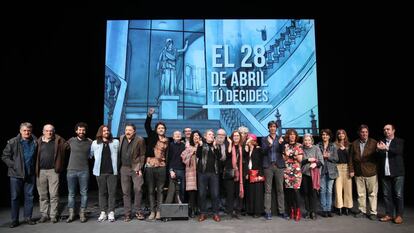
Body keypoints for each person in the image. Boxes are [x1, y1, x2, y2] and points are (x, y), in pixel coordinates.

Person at [2, 122, 38, 228]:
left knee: (30, 197)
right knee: (15, 197)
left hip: (30, 174)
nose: (27, 132)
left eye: (29, 130)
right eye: (24, 130)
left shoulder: (35, 142)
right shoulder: (13, 142)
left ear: (31, 131)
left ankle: (28, 217)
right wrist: (15, 165)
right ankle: (15, 220)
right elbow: (5, 156)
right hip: (16, 175)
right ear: (20, 131)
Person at [36, 124, 66, 223]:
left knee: (54, 194)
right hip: (41, 171)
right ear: (43, 131)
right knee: (42, 195)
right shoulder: (38, 141)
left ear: (54, 132)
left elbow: (69, 145)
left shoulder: (58, 141)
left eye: (51, 131)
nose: (49, 132)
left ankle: (53, 215)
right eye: (47, 131)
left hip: (53, 171)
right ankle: (44, 215)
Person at [90, 125, 119, 222]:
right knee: (102, 193)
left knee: (112, 193)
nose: (106, 132)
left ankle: (111, 212)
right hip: (100, 172)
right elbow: (90, 154)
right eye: (104, 131)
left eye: (107, 130)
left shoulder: (115, 142)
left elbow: (118, 154)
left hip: (112, 172)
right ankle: (103, 212)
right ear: (100, 132)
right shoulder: (95, 143)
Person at [377, 124, 405, 224]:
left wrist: (387, 148)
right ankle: (389, 214)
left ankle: (399, 215)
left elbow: (398, 151)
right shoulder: (381, 141)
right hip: (385, 172)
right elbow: (379, 156)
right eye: (384, 130)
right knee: (386, 195)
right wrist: (378, 150)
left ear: (393, 130)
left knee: (398, 194)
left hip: (398, 172)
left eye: (388, 129)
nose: (386, 131)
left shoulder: (399, 141)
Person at [349, 124, 378, 220]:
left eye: (366, 132)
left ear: (368, 133)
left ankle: (373, 212)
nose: (364, 134)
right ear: (359, 133)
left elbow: (378, 157)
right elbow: (350, 159)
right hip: (358, 172)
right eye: (362, 132)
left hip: (371, 172)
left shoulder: (374, 142)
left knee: (372, 193)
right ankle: (362, 210)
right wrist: (351, 170)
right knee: (360, 193)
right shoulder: (354, 143)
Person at [65, 122, 92, 223]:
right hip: (71, 170)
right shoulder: (71, 140)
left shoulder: (89, 142)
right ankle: (71, 214)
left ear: (85, 131)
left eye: (83, 130)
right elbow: (61, 148)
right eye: (79, 130)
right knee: (71, 193)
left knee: (84, 193)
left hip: (84, 171)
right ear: (76, 131)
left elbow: (93, 154)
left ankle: (82, 213)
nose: (81, 131)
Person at [119, 123, 146, 222]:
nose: (127, 132)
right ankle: (127, 214)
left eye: (130, 130)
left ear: (134, 131)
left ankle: (138, 211)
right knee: (125, 192)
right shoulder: (121, 138)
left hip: (136, 168)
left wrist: (139, 167)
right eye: (126, 130)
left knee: (138, 189)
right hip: (124, 168)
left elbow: (142, 155)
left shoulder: (140, 140)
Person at [144, 107, 168, 220]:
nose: (161, 129)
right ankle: (152, 211)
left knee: (160, 190)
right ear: (156, 129)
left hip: (162, 167)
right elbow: (147, 126)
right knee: (150, 190)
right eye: (159, 128)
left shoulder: (167, 141)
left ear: (165, 130)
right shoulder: (152, 135)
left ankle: (159, 211)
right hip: (150, 166)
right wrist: (149, 115)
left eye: (163, 128)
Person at [261, 120, 286, 220]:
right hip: (268, 166)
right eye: (271, 126)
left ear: (276, 128)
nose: (272, 128)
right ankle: (267, 212)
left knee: (280, 189)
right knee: (268, 190)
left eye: (274, 126)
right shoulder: (264, 139)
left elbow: (282, 151)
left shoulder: (280, 138)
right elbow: (263, 152)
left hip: (279, 166)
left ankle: (282, 211)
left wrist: (280, 144)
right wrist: (269, 145)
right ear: (268, 128)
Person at [197, 129, 221, 222]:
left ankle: (215, 214)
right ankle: (203, 213)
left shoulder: (216, 145)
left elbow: (219, 157)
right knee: (202, 194)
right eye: (209, 134)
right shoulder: (202, 145)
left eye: (212, 134)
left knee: (215, 194)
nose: (212, 136)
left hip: (214, 173)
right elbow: (198, 155)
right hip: (202, 173)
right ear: (205, 136)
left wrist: (215, 147)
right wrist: (199, 146)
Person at [223, 130, 247, 219]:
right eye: (234, 136)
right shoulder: (229, 146)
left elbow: (245, 160)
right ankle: (229, 211)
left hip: (240, 174)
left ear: (240, 137)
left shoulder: (243, 147)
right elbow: (228, 154)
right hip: (230, 173)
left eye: (237, 136)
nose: (236, 137)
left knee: (239, 194)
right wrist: (229, 143)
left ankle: (238, 211)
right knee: (230, 194)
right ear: (232, 137)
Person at [282, 129, 303, 221]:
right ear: (288, 136)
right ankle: (291, 211)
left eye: (294, 134)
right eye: (290, 134)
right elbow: (284, 159)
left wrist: (290, 155)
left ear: (296, 136)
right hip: (287, 171)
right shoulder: (285, 146)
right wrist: (293, 154)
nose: (292, 136)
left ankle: (298, 211)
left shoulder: (299, 145)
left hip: (296, 171)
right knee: (289, 192)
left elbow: (300, 159)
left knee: (296, 192)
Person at [301, 134, 323, 220]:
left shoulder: (316, 148)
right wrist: (308, 160)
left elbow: (321, 161)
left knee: (313, 193)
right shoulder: (301, 149)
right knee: (305, 193)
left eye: (309, 140)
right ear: (303, 141)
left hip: (314, 175)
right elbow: (300, 161)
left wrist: (316, 164)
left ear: (312, 140)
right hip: (304, 174)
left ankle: (313, 211)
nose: (307, 142)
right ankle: (308, 211)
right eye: (305, 140)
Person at [317, 129, 338, 217]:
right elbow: (316, 158)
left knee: (329, 191)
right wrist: (322, 156)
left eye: (326, 135)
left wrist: (328, 157)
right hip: (321, 170)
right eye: (323, 135)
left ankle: (329, 209)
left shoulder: (333, 145)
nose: (324, 136)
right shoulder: (318, 145)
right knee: (322, 190)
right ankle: (324, 210)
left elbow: (336, 159)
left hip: (331, 171)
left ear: (329, 136)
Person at [181, 130, 202, 218]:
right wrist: (192, 153)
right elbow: (183, 157)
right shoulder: (189, 147)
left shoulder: (203, 146)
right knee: (192, 192)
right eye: (194, 136)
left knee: (200, 191)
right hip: (191, 172)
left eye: (197, 135)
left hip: (201, 171)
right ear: (192, 138)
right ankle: (192, 209)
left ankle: (199, 208)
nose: (196, 137)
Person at [245, 134, 265, 218]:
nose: (248, 141)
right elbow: (246, 162)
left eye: (249, 139)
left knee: (258, 193)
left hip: (257, 173)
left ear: (253, 140)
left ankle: (258, 211)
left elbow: (261, 162)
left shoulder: (258, 149)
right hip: (250, 173)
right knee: (251, 192)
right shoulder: (248, 150)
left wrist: (261, 174)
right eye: (247, 139)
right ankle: (250, 210)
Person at [334, 129, 353, 216]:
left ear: (345, 135)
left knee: (348, 189)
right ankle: (339, 207)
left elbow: (351, 158)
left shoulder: (349, 145)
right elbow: (333, 157)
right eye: (339, 134)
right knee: (338, 189)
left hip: (346, 167)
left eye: (342, 133)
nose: (341, 135)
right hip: (337, 167)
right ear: (337, 135)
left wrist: (345, 149)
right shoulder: (334, 145)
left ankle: (347, 207)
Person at [165, 130, 186, 204]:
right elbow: (168, 159)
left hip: (182, 170)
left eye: (179, 134)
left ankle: (181, 209)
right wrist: (170, 170)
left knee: (182, 189)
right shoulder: (170, 145)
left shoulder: (184, 146)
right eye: (176, 134)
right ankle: (169, 210)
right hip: (173, 170)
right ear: (173, 137)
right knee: (172, 191)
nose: (178, 135)